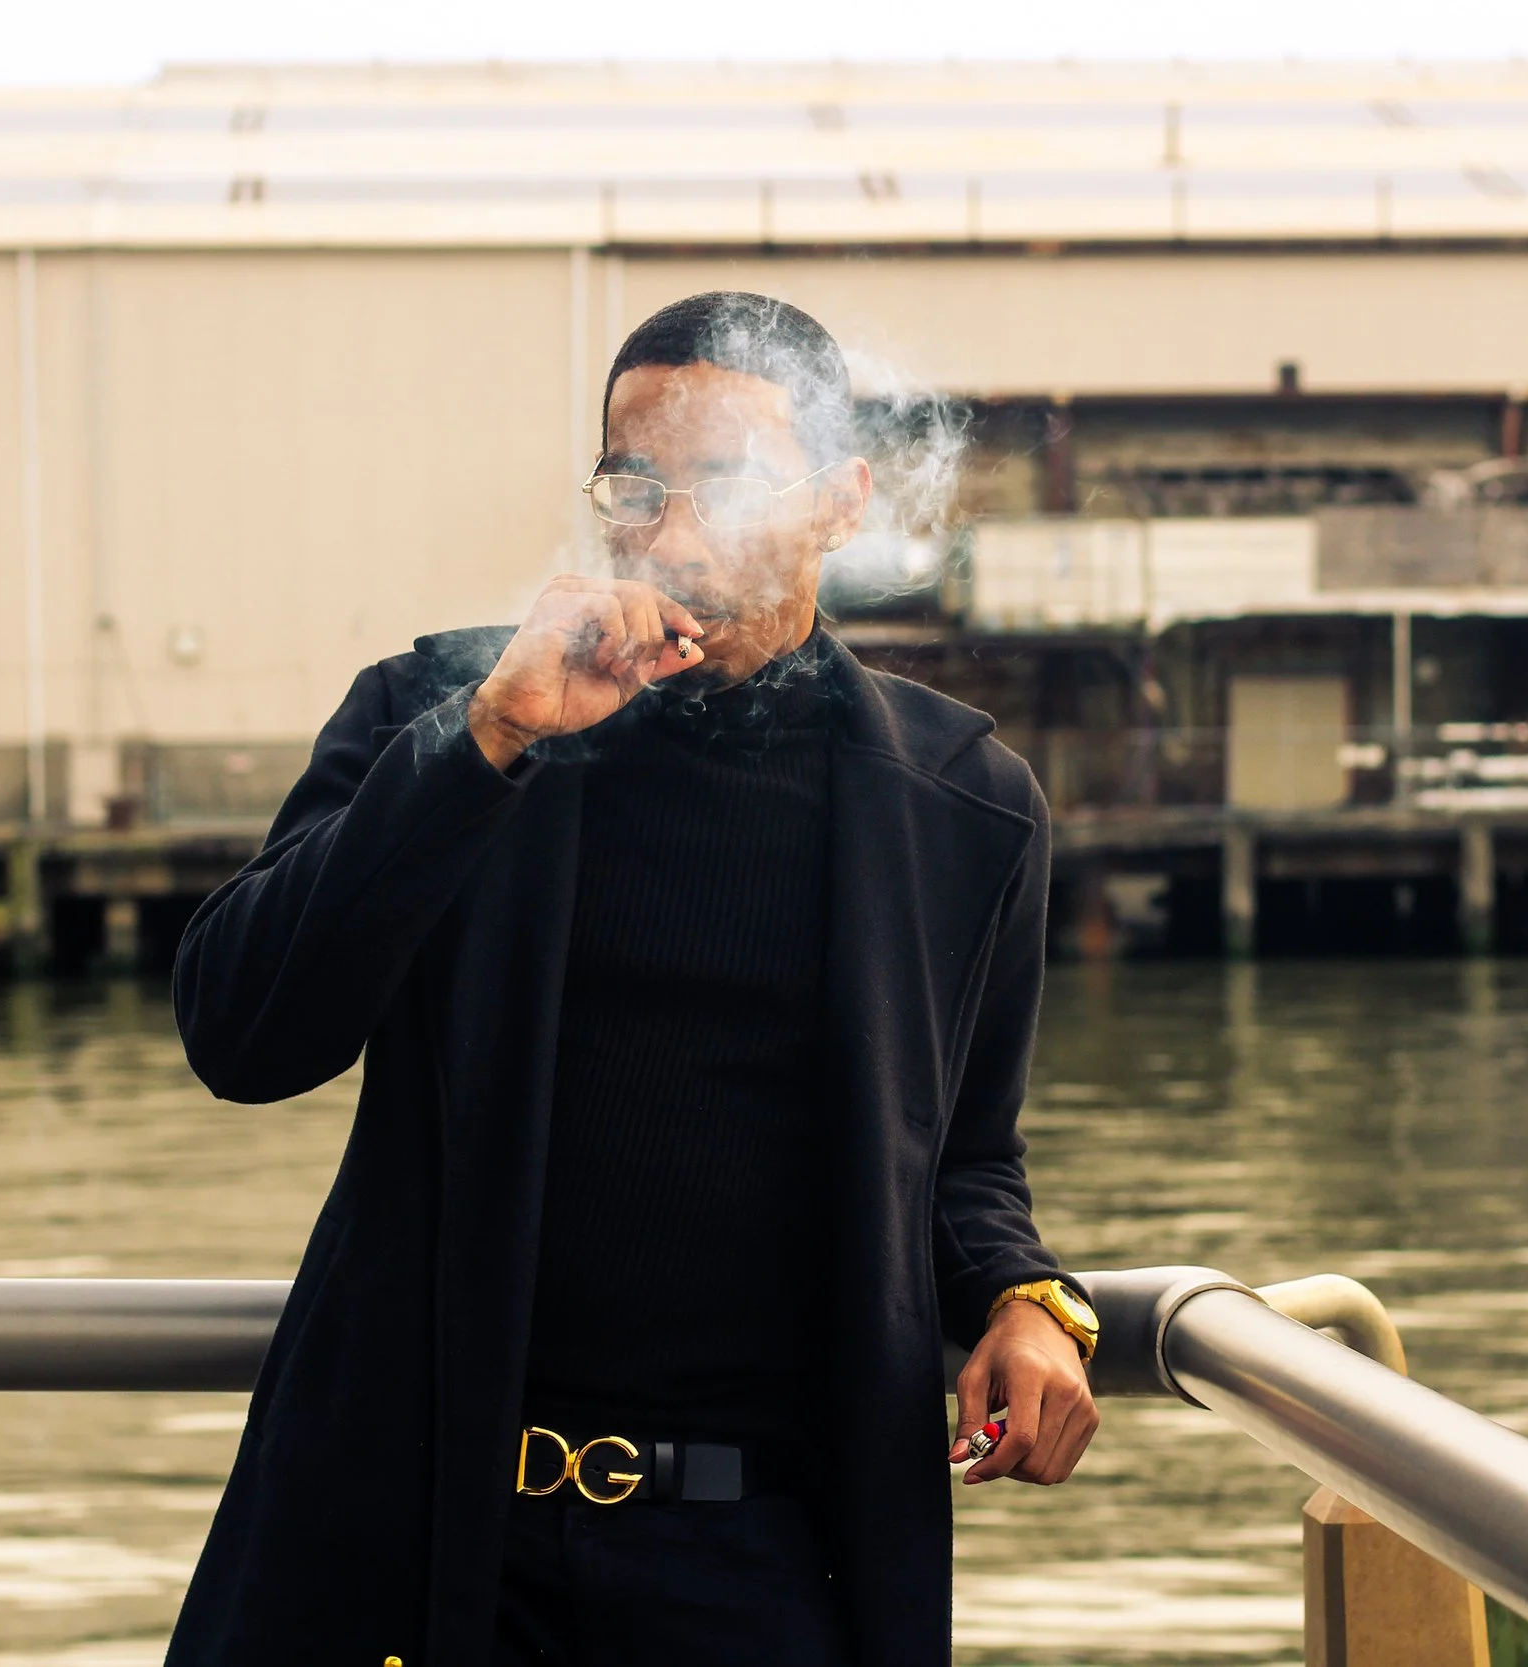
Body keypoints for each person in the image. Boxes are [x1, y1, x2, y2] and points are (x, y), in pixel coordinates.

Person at [166, 290, 1100, 1667]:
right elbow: (241, 1032)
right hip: (424, 1526)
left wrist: (1027, 1299)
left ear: (840, 503)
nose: (666, 525)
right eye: (634, 483)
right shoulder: (443, 715)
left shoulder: (961, 806)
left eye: (722, 482)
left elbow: (961, 1158)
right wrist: (485, 744)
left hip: (761, 1558)